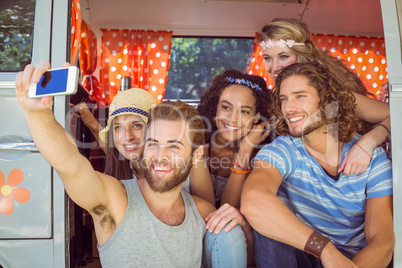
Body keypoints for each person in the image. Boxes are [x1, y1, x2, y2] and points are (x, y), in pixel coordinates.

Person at [15, 61, 249, 267]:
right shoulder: (114, 200)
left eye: (174, 146)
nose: (161, 155)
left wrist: (239, 221)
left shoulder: (202, 210)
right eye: (153, 143)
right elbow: (69, 164)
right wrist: (37, 114)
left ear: (196, 155)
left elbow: (241, 247)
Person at [241, 62, 394, 268]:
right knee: (266, 225)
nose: (289, 108)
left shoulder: (374, 160)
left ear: (326, 101)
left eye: (300, 96)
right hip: (302, 253)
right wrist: (325, 249)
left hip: (353, 262)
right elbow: (254, 201)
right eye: (284, 99)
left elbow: (382, 243)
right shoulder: (282, 150)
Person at [257, 18, 391, 175]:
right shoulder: (276, 97)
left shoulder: (333, 93)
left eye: (283, 57)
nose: (274, 68)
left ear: (301, 55)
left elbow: (395, 114)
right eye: (267, 58)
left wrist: (367, 142)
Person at [74, 89, 215, 205]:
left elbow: (207, 215)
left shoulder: (191, 163)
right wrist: (90, 121)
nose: (127, 136)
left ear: (153, 128)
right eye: (118, 128)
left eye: (136, 125)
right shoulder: (120, 162)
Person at [197, 69, 273, 209]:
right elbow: (206, 210)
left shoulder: (262, 156)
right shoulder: (198, 141)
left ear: (256, 116)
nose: (232, 118)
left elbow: (227, 210)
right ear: (215, 107)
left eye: (244, 111)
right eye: (226, 107)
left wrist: (246, 148)